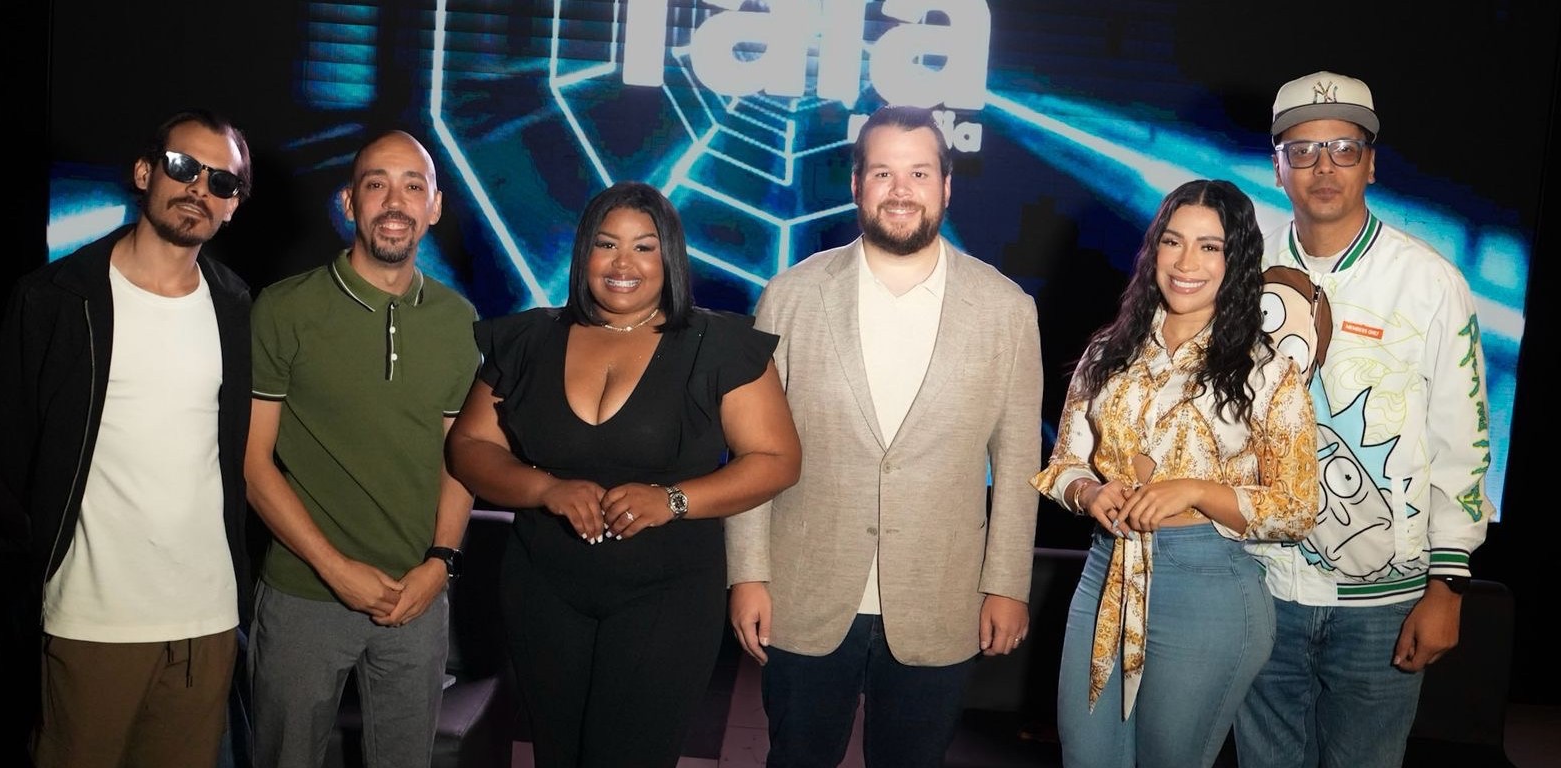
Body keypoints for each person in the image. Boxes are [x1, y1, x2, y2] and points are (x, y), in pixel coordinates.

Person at [724, 104, 1043, 767]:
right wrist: (747, 573)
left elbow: (1018, 463)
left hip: (942, 596)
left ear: (946, 186)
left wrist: (1008, 584)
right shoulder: (789, 296)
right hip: (804, 591)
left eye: (919, 173)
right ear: (856, 184)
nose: (901, 190)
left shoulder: (1007, 310)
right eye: (883, 173)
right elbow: (753, 450)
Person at [445, 180, 800, 767]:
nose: (622, 264)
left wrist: (673, 500)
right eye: (606, 244)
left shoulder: (717, 344)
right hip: (542, 590)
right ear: (583, 251)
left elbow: (778, 459)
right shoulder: (529, 338)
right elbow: (469, 447)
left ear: (670, 257)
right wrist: (545, 488)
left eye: (644, 247)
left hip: (666, 596)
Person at [1235, 71, 1498, 768]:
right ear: (1277, 167)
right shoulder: (1240, 274)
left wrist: (1448, 585)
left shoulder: (1430, 282)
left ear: (1371, 164)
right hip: (1260, 585)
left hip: (1384, 602)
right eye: (1302, 150)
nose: (1323, 167)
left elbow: (1463, 440)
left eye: (1344, 148)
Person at [0, 108, 255, 767]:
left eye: (220, 181)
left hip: (206, 621)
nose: (198, 188)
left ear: (232, 207)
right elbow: (7, 452)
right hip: (91, 616)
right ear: (143, 171)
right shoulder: (54, 297)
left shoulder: (235, 305)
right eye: (184, 167)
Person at [1031, 179, 1320, 767]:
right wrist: (1088, 491)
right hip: (1105, 572)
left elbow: (1297, 507)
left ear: (1236, 260)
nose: (1187, 263)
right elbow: (1063, 464)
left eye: (1210, 247)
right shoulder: (1107, 352)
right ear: (1154, 250)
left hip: (1206, 586)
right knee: (1085, 757)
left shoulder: (1268, 370)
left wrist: (1196, 491)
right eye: (1173, 241)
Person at [244, 129, 479, 767]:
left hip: (417, 597)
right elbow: (253, 464)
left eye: (413, 186)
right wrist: (335, 568)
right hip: (304, 594)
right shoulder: (284, 309)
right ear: (349, 203)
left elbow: (460, 461)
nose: (395, 202)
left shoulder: (459, 321)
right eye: (377, 184)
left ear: (434, 206)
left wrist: (439, 566)